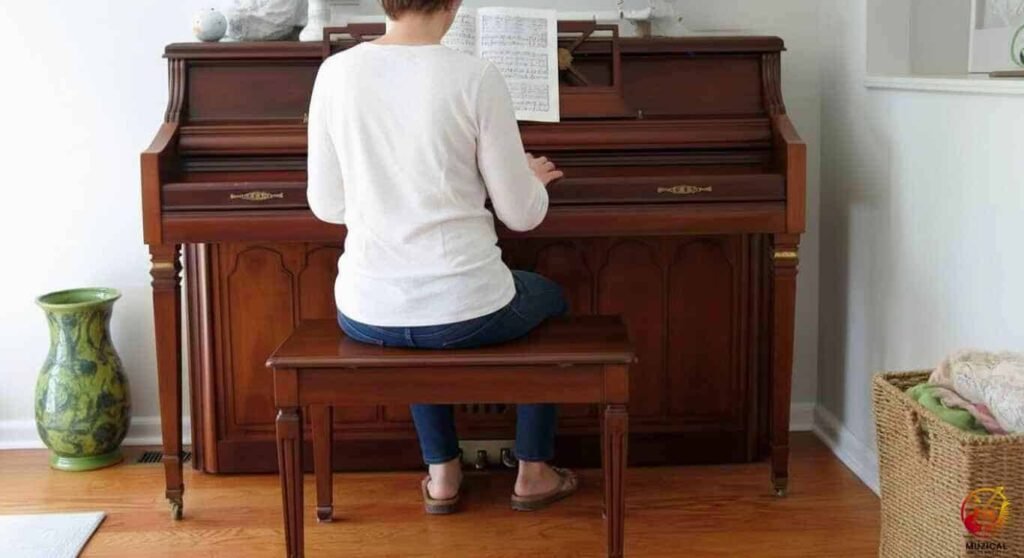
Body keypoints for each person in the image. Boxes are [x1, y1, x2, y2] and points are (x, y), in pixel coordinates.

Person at [306, 0, 574, 515]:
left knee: (414, 312)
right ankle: (534, 471)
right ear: (452, 3)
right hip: (468, 309)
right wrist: (531, 181)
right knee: (551, 297)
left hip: (366, 311)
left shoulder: (334, 72)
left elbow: (327, 204)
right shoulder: (476, 75)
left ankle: (443, 473)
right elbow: (521, 216)